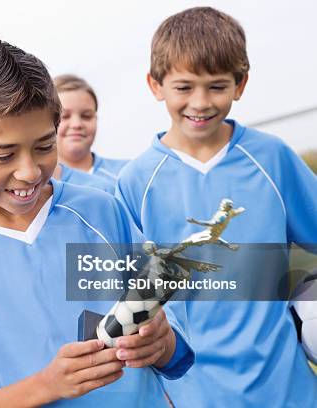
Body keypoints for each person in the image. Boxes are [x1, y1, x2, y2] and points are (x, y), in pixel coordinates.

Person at [0, 33, 194, 407]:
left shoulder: (101, 210)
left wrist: (162, 342)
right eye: (4, 155)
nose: (30, 171)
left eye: (45, 146)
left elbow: (172, 332)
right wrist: (47, 385)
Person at [115, 7, 317, 407]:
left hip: (286, 388)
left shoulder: (271, 159)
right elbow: (133, 297)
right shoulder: (136, 182)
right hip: (193, 393)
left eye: (217, 86)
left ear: (240, 84)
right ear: (155, 85)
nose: (201, 102)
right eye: (184, 87)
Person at [54, 74, 128, 180]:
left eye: (86, 116)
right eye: (65, 116)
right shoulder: (37, 184)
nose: (77, 124)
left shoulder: (126, 174)